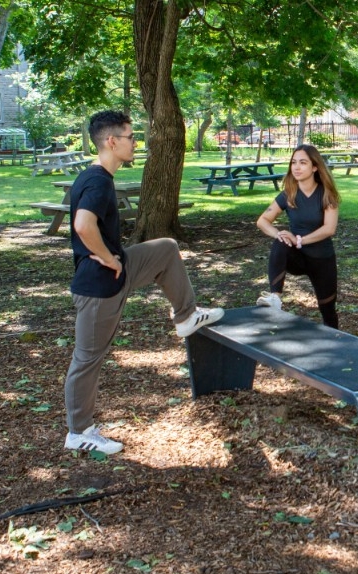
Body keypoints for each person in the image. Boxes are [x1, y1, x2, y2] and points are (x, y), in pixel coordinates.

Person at [63, 111, 223, 455]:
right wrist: (106, 257)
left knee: (165, 248)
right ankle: (79, 432)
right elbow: (82, 224)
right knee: (88, 358)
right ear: (111, 141)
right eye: (130, 137)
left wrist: (113, 257)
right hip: (98, 287)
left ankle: (186, 316)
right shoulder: (97, 181)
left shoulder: (97, 176)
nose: (136, 143)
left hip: (118, 272)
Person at [254, 145, 340, 329]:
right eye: (293, 163)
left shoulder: (327, 194)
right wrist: (280, 234)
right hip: (298, 258)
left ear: (315, 167)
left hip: (322, 258)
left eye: (303, 163)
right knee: (280, 241)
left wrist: (299, 240)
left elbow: (329, 229)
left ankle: (336, 348)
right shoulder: (288, 194)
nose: (296, 167)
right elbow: (263, 221)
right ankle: (275, 297)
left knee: (328, 310)